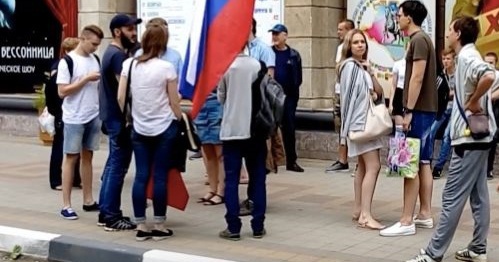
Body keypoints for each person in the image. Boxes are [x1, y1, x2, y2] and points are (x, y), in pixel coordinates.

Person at [406, 16, 496, 262]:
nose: (445, 33)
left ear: (457, 33)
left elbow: (489, 75)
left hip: (468, 139)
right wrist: (477, 100)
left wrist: (475, 101)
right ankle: (478, 248)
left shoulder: (467, 57)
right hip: (478, 136)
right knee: (479, 196)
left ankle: (433, 254)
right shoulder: (469, 55)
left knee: (451, 197)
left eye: (448, 29)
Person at [117, 23, 182, 241]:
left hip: (139, 127)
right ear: (163, 43)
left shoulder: (129, 64)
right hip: (164, 127)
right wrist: (180, 119)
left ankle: (140, 225)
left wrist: (129, 117)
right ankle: (159, 225)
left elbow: (120, 97)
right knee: (160, 176)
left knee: (141, 175)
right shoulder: (166, 68)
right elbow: (174, 101)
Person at [380, 1, 438, 237]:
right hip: (425, 110)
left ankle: (406, 221)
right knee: (423, 162)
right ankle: (423, 214)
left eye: (400, 15)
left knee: (409, 164)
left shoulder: (418, 40)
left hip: (419, 110)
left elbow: (416, 78)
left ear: (410, 18)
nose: (398, 19)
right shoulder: (421, 39)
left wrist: (408, 110)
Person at [338, 29, 385, 230]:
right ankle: (365, 215)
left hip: (361, 123)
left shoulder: (360, 67)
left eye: (362, 42)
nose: (360, 45)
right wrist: (344, 133)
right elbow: (346, 100)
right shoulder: (349, 67)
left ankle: (359, 209)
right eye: (356, 42)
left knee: (364, 167)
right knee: (373, 166)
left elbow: (379, 92)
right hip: (360, 124)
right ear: (349, 46)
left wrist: (371, 72)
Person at [98, 14, 141, 231]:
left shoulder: (114, 52)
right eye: (129, 29)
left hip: (113, 117)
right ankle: (111, 216)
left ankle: (105, 211)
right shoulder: (117, 56)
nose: (134, 33)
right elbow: (125, 90)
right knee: (118, 166)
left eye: (134, 29)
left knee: (113, 164)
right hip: (119, 119)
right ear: (117, 32)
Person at [218, 43, 265, 241]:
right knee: (257, 179)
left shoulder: (226, 67)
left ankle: (233, 226)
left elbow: (221, 97)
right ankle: (257, 225)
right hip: (256, 131)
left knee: (231, 180)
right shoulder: (258, 66)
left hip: (232, 131)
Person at [57, 25, 103, 220]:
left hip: (93, 113)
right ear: (83, 39)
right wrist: (84, 79)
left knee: (88, 156)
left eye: (98, 45)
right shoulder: (67, 61)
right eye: (93, 44)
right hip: (74, 117)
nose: (95, 48)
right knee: (70, 158)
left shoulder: (95, 60)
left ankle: (88, 199)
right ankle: (66, 204)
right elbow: (62, 91)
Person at [45, 37, 81, 191]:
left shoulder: (70, 68)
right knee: (60, 146)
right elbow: (51, 94)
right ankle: (56, 179)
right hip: (62, 114)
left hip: (71, 113)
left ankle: (74, 178)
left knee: (75, 147)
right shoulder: (60, 69)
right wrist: (56, 112)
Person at [269, 23, 304, 172]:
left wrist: (293, 95)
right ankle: (270, 162)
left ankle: (291, 161)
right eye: (273, 34)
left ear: (285, 35)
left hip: (288, 98)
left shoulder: (294, 55)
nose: (275, 37)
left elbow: (298, 78)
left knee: (289, 129)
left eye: (278, 34)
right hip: (271, 97)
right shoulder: (269, 52)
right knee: (269, 129)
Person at [326, 19, 355, 173]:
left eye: (341, 30)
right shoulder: (340, 48)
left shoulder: (353, 47)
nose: (338, 33)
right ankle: (342, 159)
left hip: (348, 92)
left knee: (350, 125)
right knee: (340, 125)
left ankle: (354, 160)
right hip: (339, 91)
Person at [430, 49, 456, 179]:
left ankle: (438, 167)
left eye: (448, 59)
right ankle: (427, 162)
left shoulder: (459, 75)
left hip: (456, 111)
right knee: (431, 133)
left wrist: (451, 95)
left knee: (447, 136)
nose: (446, 61)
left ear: (453, 60)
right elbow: (435, 94)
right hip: (442, 110)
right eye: (444, 59)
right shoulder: (440, 76)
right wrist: (448, 94)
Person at [485, 52, 498, 180]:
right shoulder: (480, 75)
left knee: (493, 139)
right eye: (486, 62)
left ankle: (489, 169)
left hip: (496, 110)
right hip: (483, 112)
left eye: (491, 63)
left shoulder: (498, 76)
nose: (488, 65)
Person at [389, 42, 407, 129]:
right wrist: (390, 103)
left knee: (408, 127)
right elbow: (393, 85)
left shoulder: (416, 64)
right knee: (399, 127)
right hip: (399, 92)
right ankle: (399, 142)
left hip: (410, 94)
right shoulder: (398, 64)